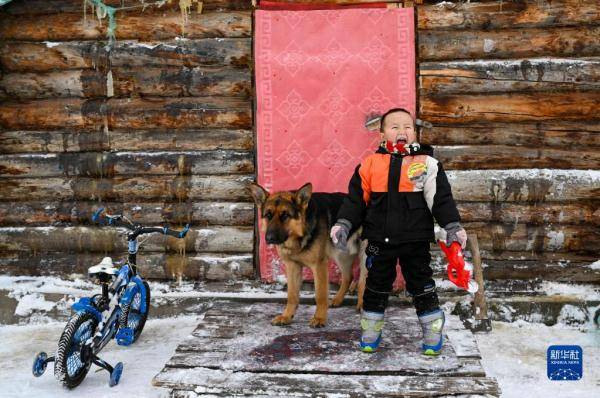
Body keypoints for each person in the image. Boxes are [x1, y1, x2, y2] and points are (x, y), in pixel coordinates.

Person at [330, 108, 467, 355]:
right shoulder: (370, 165)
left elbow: (441, 199)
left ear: (414, 132)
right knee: (376, 284)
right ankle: (370, 329)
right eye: (394, 127)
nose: (402, 131)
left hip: (415, 240)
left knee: (420, 284)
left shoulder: (427, 164)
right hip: (379, 240)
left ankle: (432, 328)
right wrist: (344, 224)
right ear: (382, 134)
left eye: (408, 127)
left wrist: (452, 226)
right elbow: (355, 201)